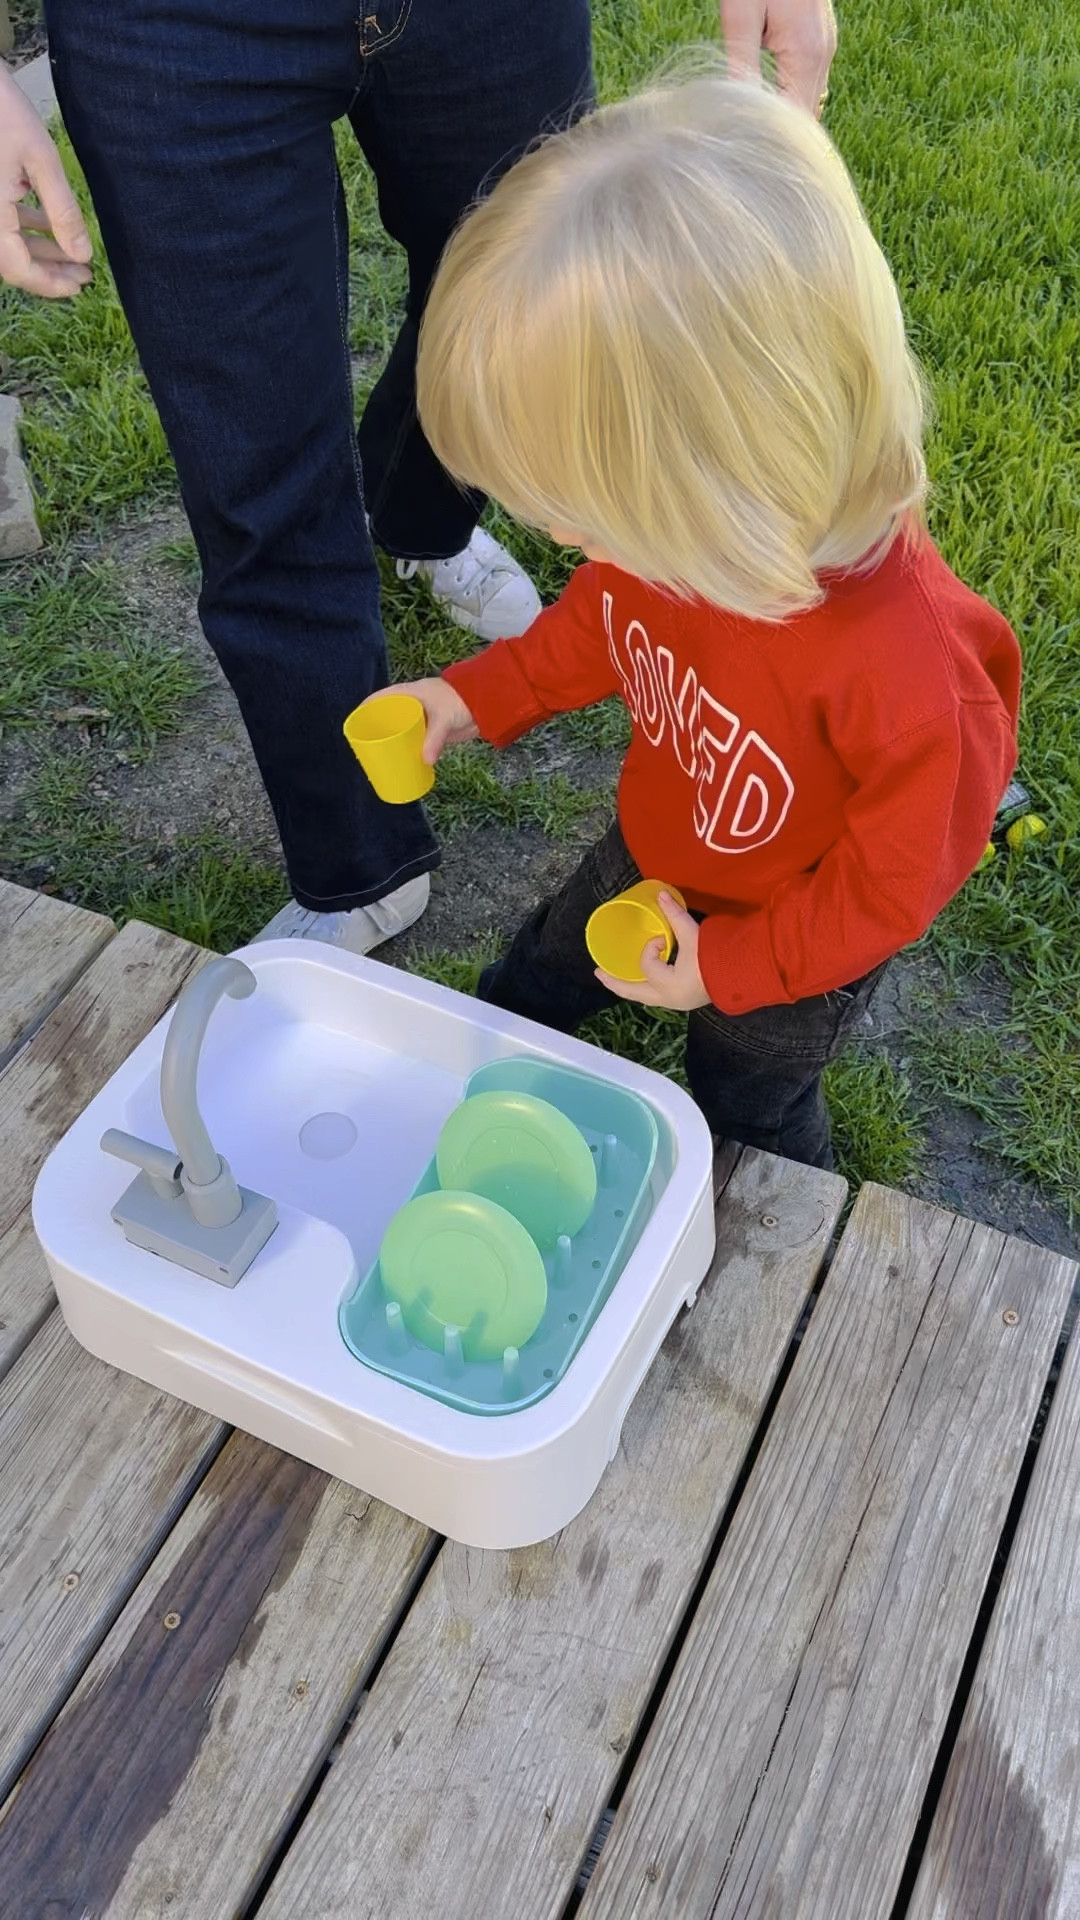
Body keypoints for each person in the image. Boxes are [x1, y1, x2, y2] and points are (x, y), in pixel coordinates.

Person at [0, 2, 837, 956]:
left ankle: (420, 521)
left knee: (516, 318)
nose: (571, 535)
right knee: (256, 465)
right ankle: (362, 868)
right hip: (173, 25)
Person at [387, 73, 1021, 1169]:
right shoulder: (671, 548)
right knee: (549, 966)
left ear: (720, 469)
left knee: (746, 1094)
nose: (571, 544)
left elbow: (884, 892)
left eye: (584, 511)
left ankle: (771, 1216)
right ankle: (501, 1044)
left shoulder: (920, 679)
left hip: (793, 942)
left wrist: (723, 971)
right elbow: (593, 630)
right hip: (656, 847)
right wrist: (468, 697)